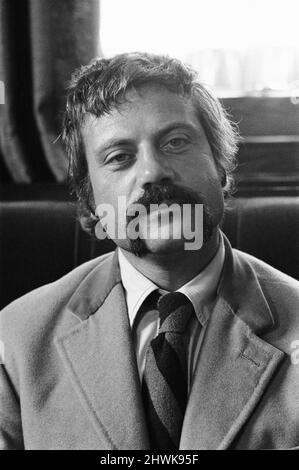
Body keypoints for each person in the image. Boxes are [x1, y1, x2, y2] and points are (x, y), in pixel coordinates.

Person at [1, 52, 299, 451]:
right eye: (119, 157)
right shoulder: (16, 338)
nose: (153, 172)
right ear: (91, 204)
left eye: (176, 142)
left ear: (221, 167)